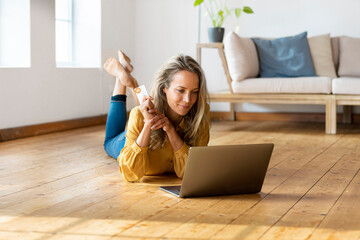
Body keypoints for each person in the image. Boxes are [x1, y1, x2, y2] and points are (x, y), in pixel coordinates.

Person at [103, 51, 210, 182]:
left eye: (195, 92)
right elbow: (130, 174)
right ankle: (122, 79)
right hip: (138, 138)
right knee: (109, 142)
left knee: (148, 107)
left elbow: (193, 170)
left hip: (153, 114)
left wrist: (170, 130)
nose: (188, 100)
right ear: (164, 88)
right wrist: (148, 124)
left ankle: (130, 82)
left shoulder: (200, 115)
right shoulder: (138, 117)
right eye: (181, 90)